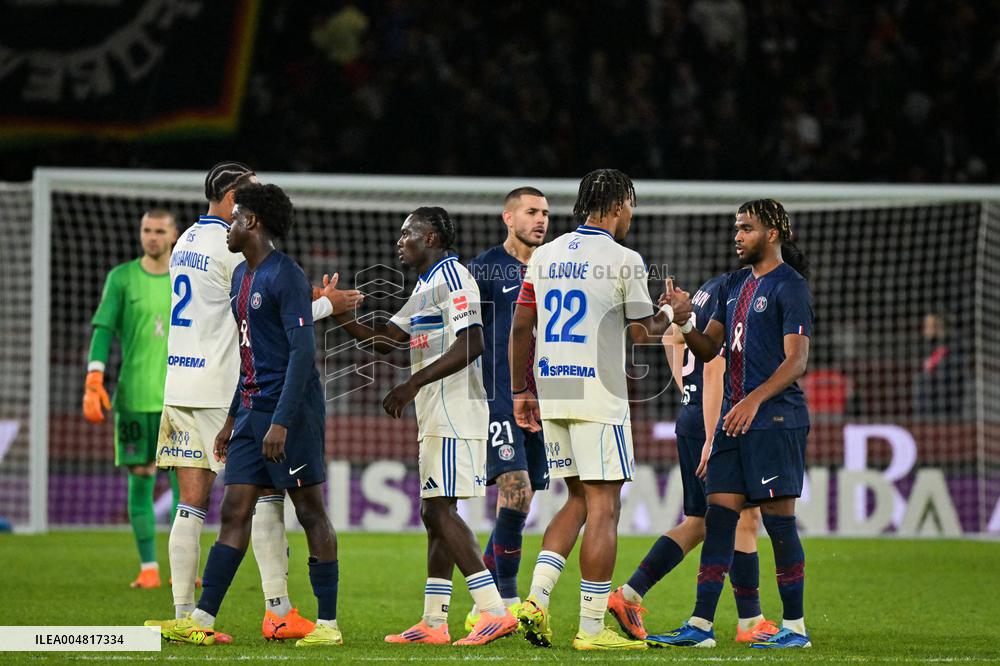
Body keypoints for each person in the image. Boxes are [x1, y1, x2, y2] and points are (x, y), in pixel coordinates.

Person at [156, 162, 361, 641]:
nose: (231, 224)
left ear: (251, 220)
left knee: (306, 510)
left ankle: (322, 621)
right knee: (238, 509)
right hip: (240, 399)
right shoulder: (240, 273)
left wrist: (281, 421)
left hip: (279, 410)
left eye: (238, 218)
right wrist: (234, 417)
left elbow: (302, 351)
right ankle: (202, 619)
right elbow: (250, 348)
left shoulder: (218, 252)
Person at [509, 168, 691, 650]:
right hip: (597, 393)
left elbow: (521, 325)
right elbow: (642, 332)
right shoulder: (624, 259)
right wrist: (674, 312)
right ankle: (591, 628)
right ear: (615, 207)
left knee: (577, 499)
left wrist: (519, 390)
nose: (631, 215)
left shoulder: (545, 254)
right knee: (605, 506)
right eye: (630, 206)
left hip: (553, 388)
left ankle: (536, 600)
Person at [333, 206, 518, 646]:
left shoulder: (454, 278)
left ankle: (494, 610)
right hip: (436, 410)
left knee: (439, 510)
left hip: (455, 408)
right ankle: (434, 621)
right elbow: (389, 339)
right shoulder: (427, 285)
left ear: (431, 237)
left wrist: (413, 383)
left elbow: (472, 342)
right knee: (433, 510)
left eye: (407, 233)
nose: (400, 241)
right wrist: (339, 314)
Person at [649, 198, 813, 649]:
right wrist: (685, 322)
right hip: (733, 421)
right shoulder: (733, 284)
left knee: (779, 524)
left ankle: (795, 628)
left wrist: (753, 401)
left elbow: (796, 361)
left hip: (775, 420)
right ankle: (700, 625)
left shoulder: (791, 287)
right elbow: (708, 350)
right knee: (718, 518)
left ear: (772, 234)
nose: (737, 236)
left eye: (747, 228)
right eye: (736, 228)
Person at [609, 275, 778, 643]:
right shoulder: (732, 295)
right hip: (713, 421)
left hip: (692, 416)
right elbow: (715, 367)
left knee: (701, 521)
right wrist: (712, 431)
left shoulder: (701, 294)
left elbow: (670, 337)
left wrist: (689, 393)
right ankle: (750, 621)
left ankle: (629, 594)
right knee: (742, 518)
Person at [462, 187, 550, 629]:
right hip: (497, 396)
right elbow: (460, 329)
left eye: (545, 213)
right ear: (508, 218)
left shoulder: (554, 267)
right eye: (531, 212)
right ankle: (508, 600)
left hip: (544, 398)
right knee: (515, 490)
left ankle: (484, 604)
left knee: (524, 497)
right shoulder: (484, 270)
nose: (541, 219)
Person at [83, 209, 180, 589]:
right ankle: (149, 568)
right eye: (146, 230)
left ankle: (181, 567)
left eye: (159, 230)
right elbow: (103, 330)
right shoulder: (122, 278)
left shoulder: (187, 276)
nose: (152, 236)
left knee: (184, 482)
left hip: (179, 397)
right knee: (141, 478)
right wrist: (94, 376)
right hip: (135, 396)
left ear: (174, 235)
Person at [913, 311, 966, 416]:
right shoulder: (923, 347)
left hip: (948, 405)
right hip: (926, 407)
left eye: (932, 325)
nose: (927, 329)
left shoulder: (953, 346)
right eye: (926, 326)